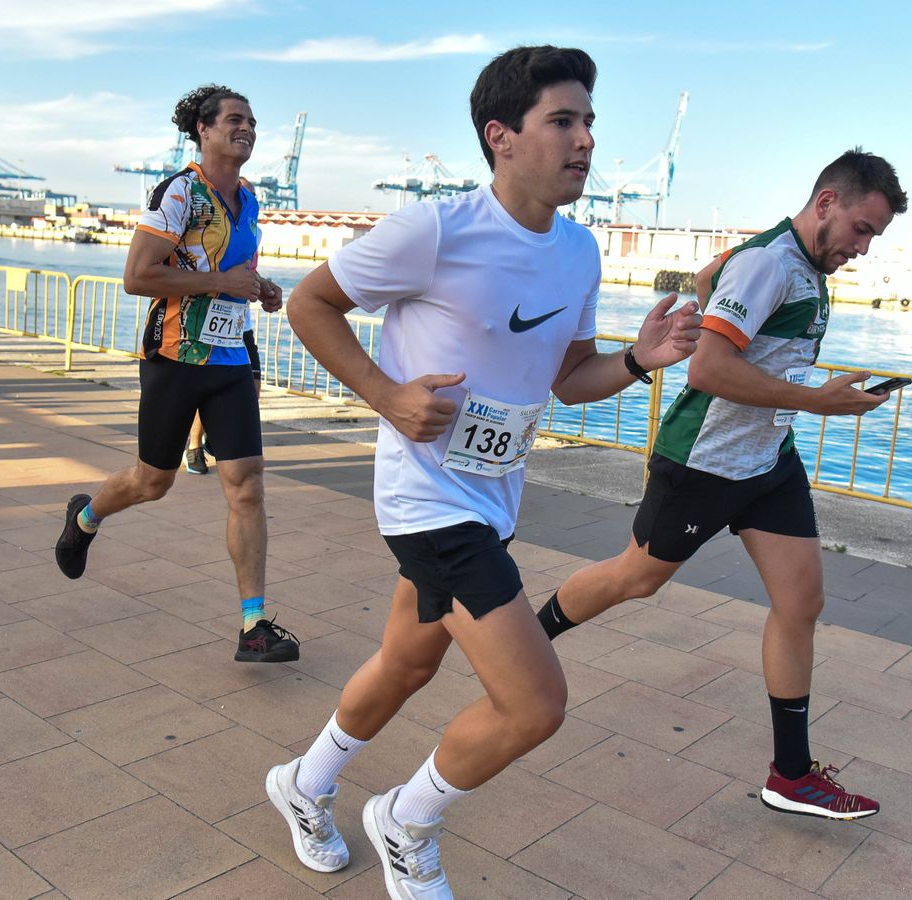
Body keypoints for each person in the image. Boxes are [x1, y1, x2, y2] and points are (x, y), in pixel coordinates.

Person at [266, 46, 701, 899]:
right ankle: (407, 817)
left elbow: (568, 381)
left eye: (589, 124)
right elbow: (309, 303)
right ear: (501, 136)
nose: (584, 142)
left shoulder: (578, 253)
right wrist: (387, 395)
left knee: (406, 665)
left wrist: (639, 360)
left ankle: (305, 783)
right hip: (426, 501)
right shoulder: (435, 229)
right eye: (563, 122)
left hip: (492, 499)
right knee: (534, 703)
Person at [535, 148, 909, 822]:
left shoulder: (791, 261)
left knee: (801, 601)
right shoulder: (771, 262)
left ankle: (791, 776)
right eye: (861, 228)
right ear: (827, 201)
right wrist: (816, 399)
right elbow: (707, 370)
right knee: (635, 578)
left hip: (767, 462)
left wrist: (725, 314)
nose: (863, 246)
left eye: (874, 236)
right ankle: (526, 642)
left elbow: (710, 279)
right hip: (704, 460)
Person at [52, 84, 297, 662]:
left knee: (247, 483)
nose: (248, 128)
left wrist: (257, 289)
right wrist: (220, 282)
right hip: (174, 358)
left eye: (253, 120)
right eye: (235, 119)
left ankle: (253, 625)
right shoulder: (179, 192)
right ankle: (85, 517)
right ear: (204, 130)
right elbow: (138, 276)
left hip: (231, 357)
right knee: (152, 481)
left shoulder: (251, 200)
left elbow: (232, 271)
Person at [185, 327, 261, 474]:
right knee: (205, 391)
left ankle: (213, 433)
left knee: (253, 390)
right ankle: (195, 447)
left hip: (241, 330)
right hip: (211, 332)